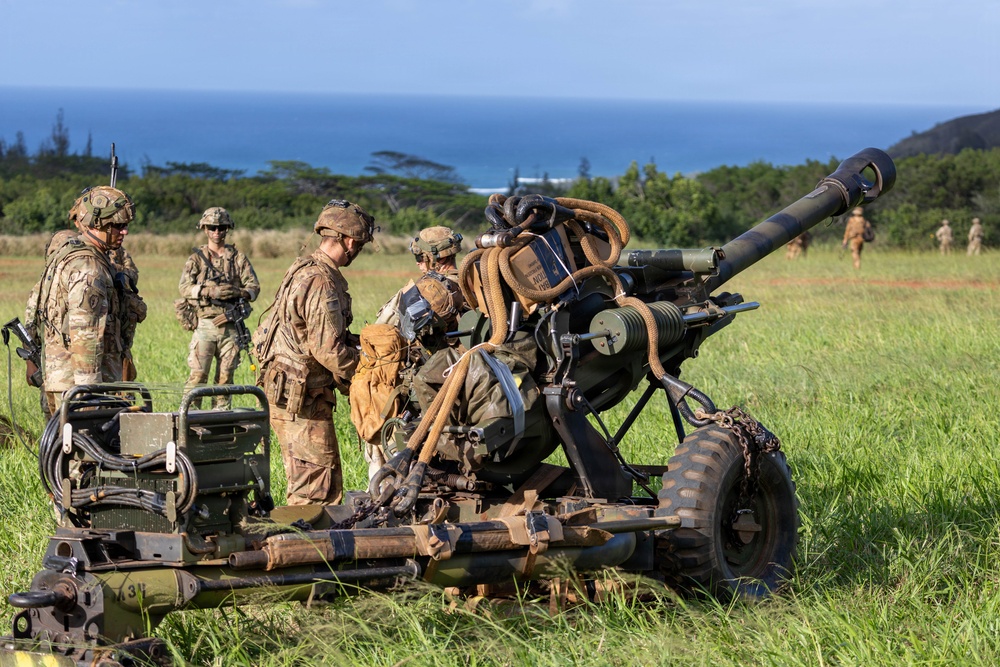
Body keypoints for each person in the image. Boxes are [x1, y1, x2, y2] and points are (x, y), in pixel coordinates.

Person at [253, 199, 377, 505]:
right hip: (303, 402)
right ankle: (303, 548)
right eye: (358, 244)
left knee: (322, 483)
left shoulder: (304, 267)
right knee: (314, 493)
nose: (357, 251)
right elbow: (328, 351)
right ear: (348, 240)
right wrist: (367, 372)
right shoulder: (321, 281)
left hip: (293, 395)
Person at [357, 226, 465, 480]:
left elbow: (386, 333)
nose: (418, 264)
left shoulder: (423, 292)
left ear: (430, 258)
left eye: (420, 258)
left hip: (427, 386)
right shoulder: (475, 283)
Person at [28, 186, 138, 414]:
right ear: (97, 225)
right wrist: (88, 394)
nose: (124, 232)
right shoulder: (89, 268)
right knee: (86, 445)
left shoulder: (71, 254)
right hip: (80, 384)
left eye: (125, 225)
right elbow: (85, 334)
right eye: (117, 225)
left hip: (66, 378)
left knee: (65, 445)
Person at [178, 207, 260, 409]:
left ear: (227, 229)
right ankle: (189, 417)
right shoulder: (196, 259)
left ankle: (220, 419)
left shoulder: (237, 258)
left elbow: (254, 287)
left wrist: (237, 292)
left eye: (221, 227)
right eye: (213, 227)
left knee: (225, 379)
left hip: (231, 326)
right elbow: (184, 288)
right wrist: (209, 291)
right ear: (205, 229)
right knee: (198, 376)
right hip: (206, 324)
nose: (217, 232)